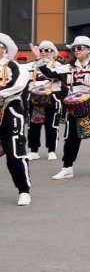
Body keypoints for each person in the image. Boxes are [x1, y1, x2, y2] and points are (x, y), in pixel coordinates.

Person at [31, 36, 90, 180]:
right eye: (74, 48)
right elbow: (50, 74)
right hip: (74, 103)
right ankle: (67, 168)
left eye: (79, 48)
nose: (76, 51)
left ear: (88, 49)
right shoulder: (68, 67)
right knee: (71, 137)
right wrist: (39, 59)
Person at [0, 32, 31, 205]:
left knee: (14, 152)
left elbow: (18, 85)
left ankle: (23, 190)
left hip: (9, 109)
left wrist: (1, 94)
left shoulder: (13, 66)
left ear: (4, 49)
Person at [25, 41, 63, 160]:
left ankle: (51, 150)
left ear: (52, 52)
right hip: (35, 98)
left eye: (46, 50)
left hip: (52, 97)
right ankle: (34, 150)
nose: (43, 52)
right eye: (41, 50)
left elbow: (57, 76)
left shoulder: (58, 65)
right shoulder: (31, 65)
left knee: (51, 125)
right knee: (34, 125)